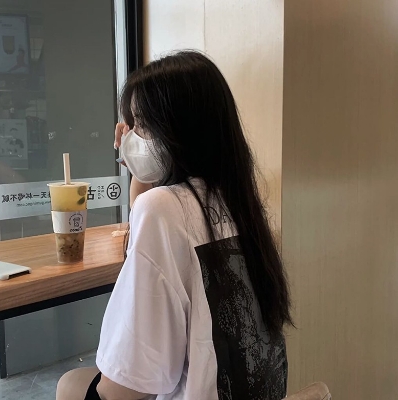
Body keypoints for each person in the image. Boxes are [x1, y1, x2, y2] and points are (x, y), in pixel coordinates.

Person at [56, 50, 293, 400]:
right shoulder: (238, 200)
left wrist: (140, 176)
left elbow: (128, 388)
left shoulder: (162, 209)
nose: (131, 137)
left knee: (68, 384)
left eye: (141, 125)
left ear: (179, 131)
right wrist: (140, 172)